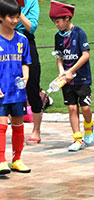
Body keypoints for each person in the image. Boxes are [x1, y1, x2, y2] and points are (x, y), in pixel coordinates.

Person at [49, 0, 94, 151]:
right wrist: (62, 71)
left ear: (67, 18)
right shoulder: (58, 37)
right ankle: (77, 138)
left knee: (85, 107)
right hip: (66, 81)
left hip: (82, 78)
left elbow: (85, 55)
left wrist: (71, 70)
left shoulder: (79, 33)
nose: (56, 25)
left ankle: (89, 126)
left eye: (58, 21)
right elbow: (59, 56)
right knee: (72, 108)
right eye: (54, 22)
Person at [0, 0, 31, 174]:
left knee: (18, 124)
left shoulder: (22, 40)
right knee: (1, 125)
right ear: (1, 17)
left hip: (17, 91)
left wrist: (26, 76)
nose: (14, 21)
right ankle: (1, 160)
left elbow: (26, 61)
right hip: (1, 91)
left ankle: (17, 159)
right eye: (10, 17)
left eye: (17, 17)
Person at [14, 0, 43, 145]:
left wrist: (17, 12)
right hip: (7, 39)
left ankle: (36, 130)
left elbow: (31, 27)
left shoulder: (32, 2)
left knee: (32, 86)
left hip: (26, 40)